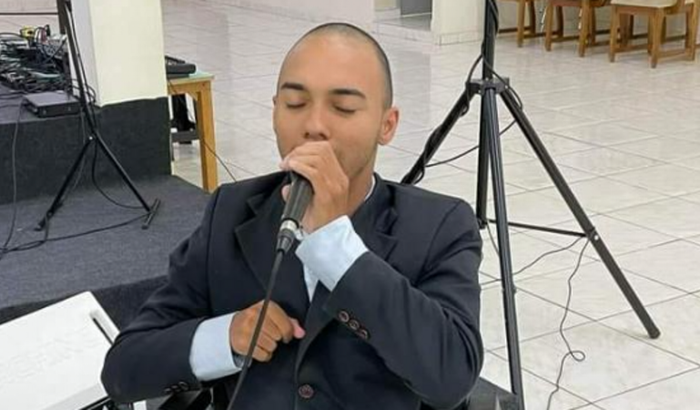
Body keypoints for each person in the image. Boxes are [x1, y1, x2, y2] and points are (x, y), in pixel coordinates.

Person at [101, 22, 483, 410]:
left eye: (343, 108)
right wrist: (225, 337)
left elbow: (451, 376)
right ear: (274, 112)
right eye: (295, 104)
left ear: (387, 125)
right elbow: (123, 369)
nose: (314, 127)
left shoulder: (439, 225)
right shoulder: (230, 212)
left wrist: (336, 244)